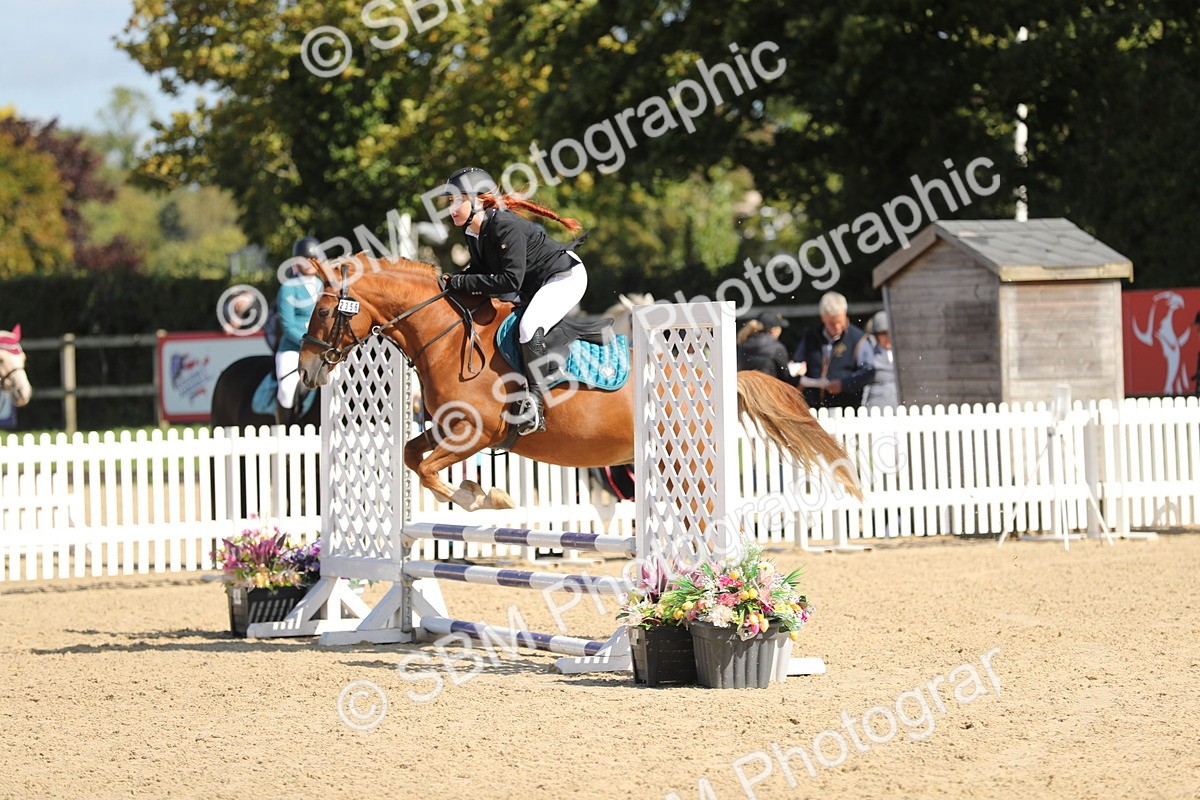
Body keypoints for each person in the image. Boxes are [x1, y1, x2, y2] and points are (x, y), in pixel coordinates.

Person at [439, 166, 587, 435]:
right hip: (536, 283)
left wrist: (461, 282)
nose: (451, 208)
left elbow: (508, 282)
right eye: (450, 201)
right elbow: (479, 272)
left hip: (565, 276)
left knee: (529, 326)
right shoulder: (474, 232)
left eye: (457, 200)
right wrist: (451, 282)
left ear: (477, 200)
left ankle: (536, 403)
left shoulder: (504, 225)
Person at [792, 291, 875, 409]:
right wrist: (797, 368)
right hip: (814, 408)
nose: (837, 327)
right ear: (823, 318)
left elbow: (869, 372)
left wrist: (843, 384)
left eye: (840, 322)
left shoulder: (857, 339)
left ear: (845, 315)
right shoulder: (811, 336)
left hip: (847, 409)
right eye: (831, 323)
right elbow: (796, 362)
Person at [274, 236, 324, 425]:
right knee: (286, 389)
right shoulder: (288, 288)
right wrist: (310, 343)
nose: (310, 264)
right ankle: (284, 431)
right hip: (292, 349)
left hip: (321, 350)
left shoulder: (324, 287)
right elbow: (287, 326)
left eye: (313, 259)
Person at [736, 310, 793, 383]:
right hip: (768, 390)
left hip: (746, 390)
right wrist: (798, 374)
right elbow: (786, 378)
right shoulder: (776, 347)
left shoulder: (743, 344)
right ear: (774, 330)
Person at [861, 310, 898, 409]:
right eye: (883, 333)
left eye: (890, 333)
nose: (888, 337)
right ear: (877, 336)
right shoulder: (869, 354)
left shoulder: (902, 354)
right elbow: (866, 384)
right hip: (877, 407)